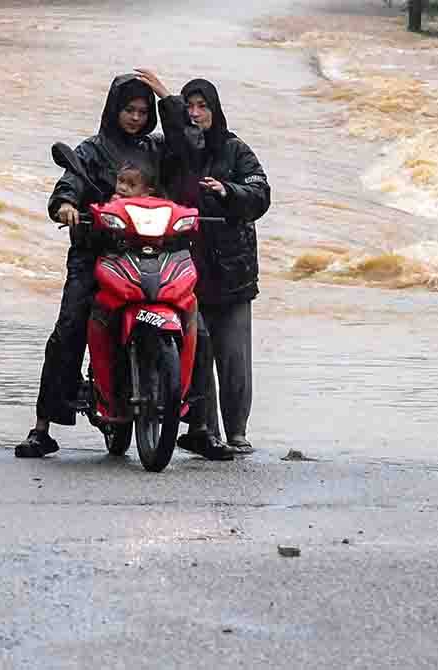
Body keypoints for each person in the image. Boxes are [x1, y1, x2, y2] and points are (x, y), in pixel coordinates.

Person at [15, 74, 167, 458]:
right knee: (69, 328)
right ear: (114, 110)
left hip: (145, 254)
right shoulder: (92, 150)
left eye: (143, 112)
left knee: (191, 318)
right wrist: (66, 205)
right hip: (94, 254)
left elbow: (192, 144)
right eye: (129, 110)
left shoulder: (159, 149)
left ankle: (196, 421)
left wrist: (169, 98)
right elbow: (70, 180)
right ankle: (42, 427)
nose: (135, 117)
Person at [135, 69, 271, 456]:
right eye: (188, 106)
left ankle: (238, 431)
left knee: (234, 357)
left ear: (215, 109)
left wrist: (228, 191)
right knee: (196, 352)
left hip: (230, 272)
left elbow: (260, 193)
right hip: (182, 269)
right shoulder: (171, 151)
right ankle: (204, 429)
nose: (195, 113)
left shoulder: (235, 149)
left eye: (201, 106)